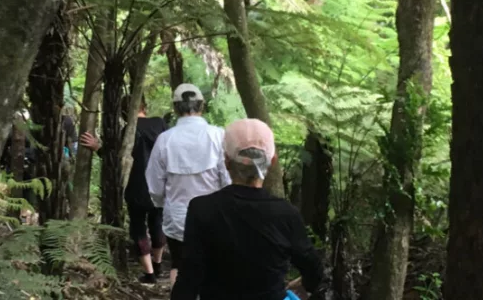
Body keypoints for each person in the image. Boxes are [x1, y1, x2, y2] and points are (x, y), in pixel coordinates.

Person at [171, 118, 324, 300]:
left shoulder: (201, 209)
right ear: (272, 161)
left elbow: (189, 277)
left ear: (227, 161)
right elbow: (313, 270)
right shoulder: (286, 213)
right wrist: (308, 285)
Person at [146, 83, 229, 285]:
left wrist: (162, 203)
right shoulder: (218, 135)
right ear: (202, 105)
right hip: (214, 215)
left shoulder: (165, 139)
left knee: (179, 265)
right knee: (213, 265)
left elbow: (154, 183)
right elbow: (227, 179)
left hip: (177, 215)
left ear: (175, 108)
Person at [79, 96, 168, 283]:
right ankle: (158, 264)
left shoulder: (126, 131)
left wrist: (98, 147)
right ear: (145, 106)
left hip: (136, 187)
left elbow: (115, 161)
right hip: (160, 184)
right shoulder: (160, 124)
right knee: (158, 223)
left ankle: (150, 274)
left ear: (123, 112)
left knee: (138, 228)